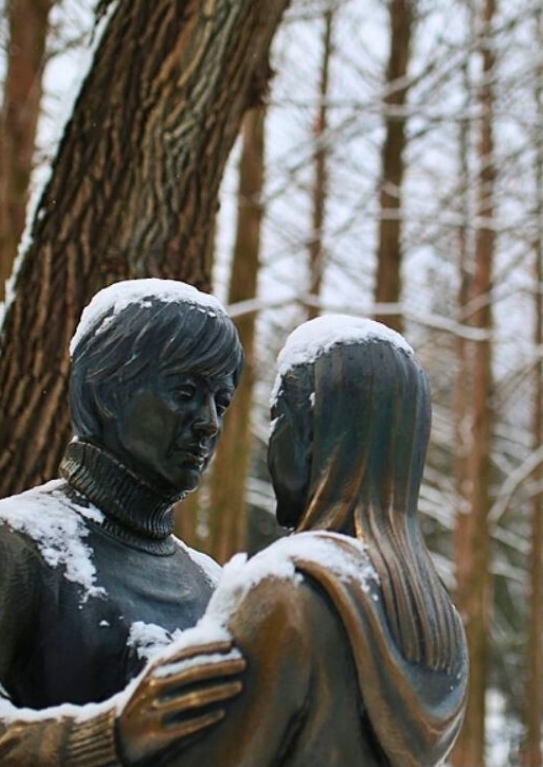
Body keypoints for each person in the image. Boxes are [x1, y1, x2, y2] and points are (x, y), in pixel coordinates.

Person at [146, 315, 469, 765]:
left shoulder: (284, 594)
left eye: (279, 419)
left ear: (315, 434)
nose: (269, 443)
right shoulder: (435, 621)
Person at [0, 280, 250, 764]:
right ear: (109, 390)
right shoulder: (4, 546)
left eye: (220, 402)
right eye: (185, 392)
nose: (209, 422)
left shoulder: (213, 585)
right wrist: (109, 735)